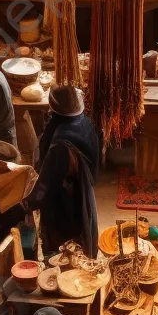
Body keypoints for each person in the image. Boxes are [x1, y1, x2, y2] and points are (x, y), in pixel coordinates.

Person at [23, 85, 99, 257]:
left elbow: (46, 185)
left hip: (64, 206)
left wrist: (28, 204)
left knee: (64, 250)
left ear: (54, 108)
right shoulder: (86, 124)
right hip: (82, 194)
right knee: (81, 237)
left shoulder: (61, 145)